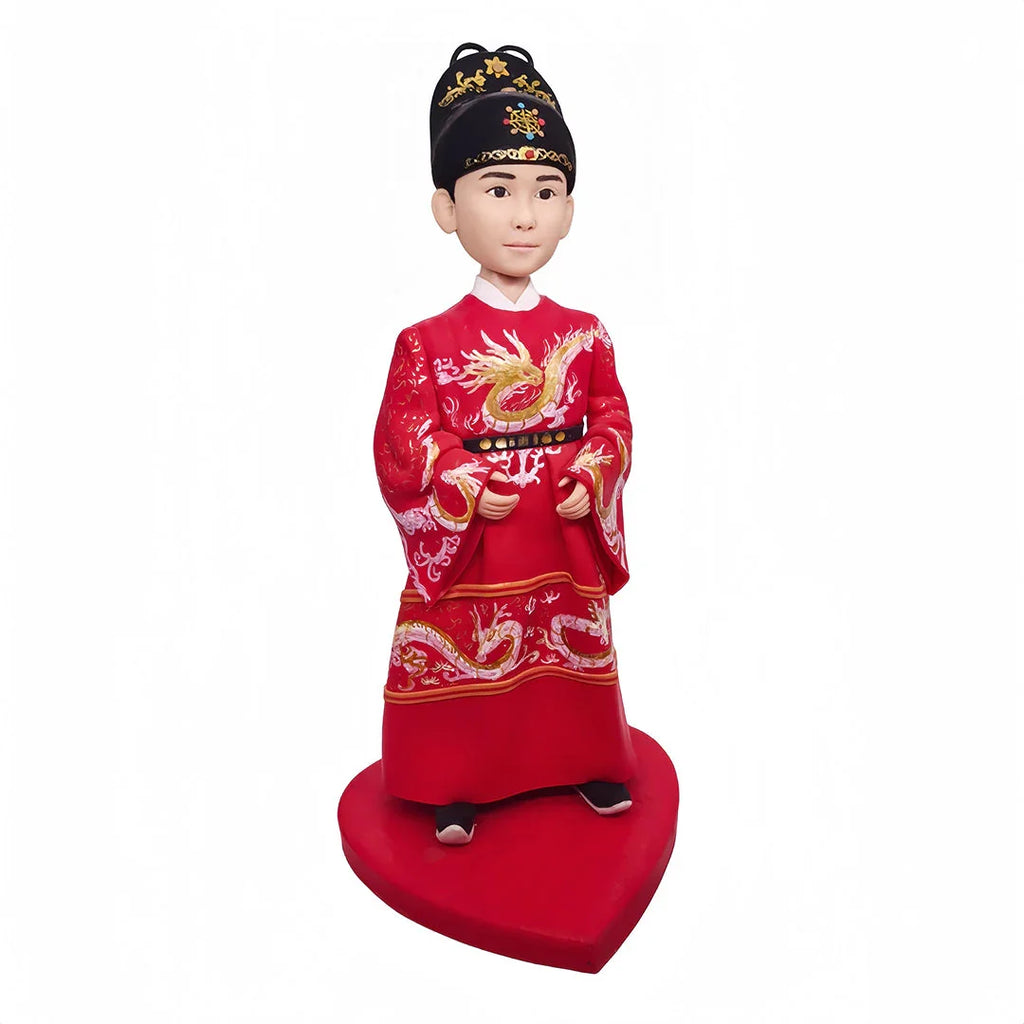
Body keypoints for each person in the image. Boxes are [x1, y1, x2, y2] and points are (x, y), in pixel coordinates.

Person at [374, 43, 637, 844]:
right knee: (465, 642)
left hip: (561, 528)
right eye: (498, 189)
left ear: (569, 210)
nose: (526, 215)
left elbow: (612, 417)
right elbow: (405, 441)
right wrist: (457, 478)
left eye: (546, 192)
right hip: (478, 535)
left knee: (571, 645)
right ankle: (453, 780)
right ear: (447, 208)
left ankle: (586, 759)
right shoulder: (425, 341)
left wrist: (594, 468)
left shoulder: (586, 333)